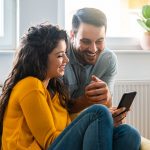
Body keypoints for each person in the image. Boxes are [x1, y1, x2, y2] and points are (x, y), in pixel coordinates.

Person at [0, 23, 140, 150]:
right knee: (98, 112)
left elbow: (68, 134)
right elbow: (50, 142)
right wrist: (97, 119)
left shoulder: (55, 92)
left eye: (66, 54)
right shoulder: (30, 85)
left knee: (128, 134)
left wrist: (106, 124)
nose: (66, 60)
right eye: (60, 55)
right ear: (40, 58)